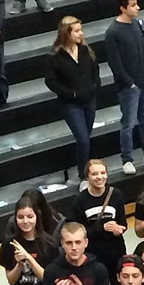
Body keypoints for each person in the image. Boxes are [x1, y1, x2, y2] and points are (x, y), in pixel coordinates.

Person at [46, 17, 100, 177]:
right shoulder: (55, 56)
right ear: (66, 33)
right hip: (71, 104)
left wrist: (95, 86)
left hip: (89, 100)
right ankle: (83, 175)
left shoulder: (85, 50)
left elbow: (95, 70)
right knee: (83, 139)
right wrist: (70, 93)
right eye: (76, 31)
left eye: (80, 30)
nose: (81, 33)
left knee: (86, 139)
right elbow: (51, 81)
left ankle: (86, 169)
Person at [107, 0, 144, 177]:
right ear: (123, 8)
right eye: (133, 5)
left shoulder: (135, 24)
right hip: (129, 86)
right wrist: (129, 82)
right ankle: (127, 159)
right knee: (128, 122)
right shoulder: (113, 32)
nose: (137, 8)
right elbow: (114, 62)